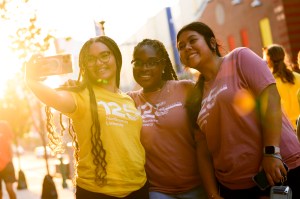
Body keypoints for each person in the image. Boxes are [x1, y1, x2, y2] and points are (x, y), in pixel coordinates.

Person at [176, 21, 300, 199]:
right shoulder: (195, 97)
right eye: (181, 46)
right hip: (234, 188)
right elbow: (203, 151)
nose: (187, 47)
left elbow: (271, 100)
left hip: (277, 171)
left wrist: (272, 152)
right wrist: (212, 193)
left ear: (212, 43)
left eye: (192, 40)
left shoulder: (239, 58)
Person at [25, 36, 148, 199]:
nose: (98, 63)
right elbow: (54, 97)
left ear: (116, 57)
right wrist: (31, 79)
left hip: (138, 188)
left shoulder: (128, 99)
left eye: (104, 55)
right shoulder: (80, 95)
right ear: (84, 65)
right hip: (97, 193)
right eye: (91, 59)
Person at [127, 39, 207, 199]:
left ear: (163, 65)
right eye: (138, 63)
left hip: (199, 186)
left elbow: (205, 137)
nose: (144, 68)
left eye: (152, 62)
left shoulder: (186, 89)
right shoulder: (128, 101)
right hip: (159, 191)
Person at [263, 44, 300, 130]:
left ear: (270, 60)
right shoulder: (298, 77)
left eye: (264, 58)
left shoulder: (270, 84)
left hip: (288, 130)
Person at [0, 120, 17, 199]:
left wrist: (8, 160)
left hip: (7, 166)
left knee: (9, 188)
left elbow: (11, 151)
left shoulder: (6, 138)